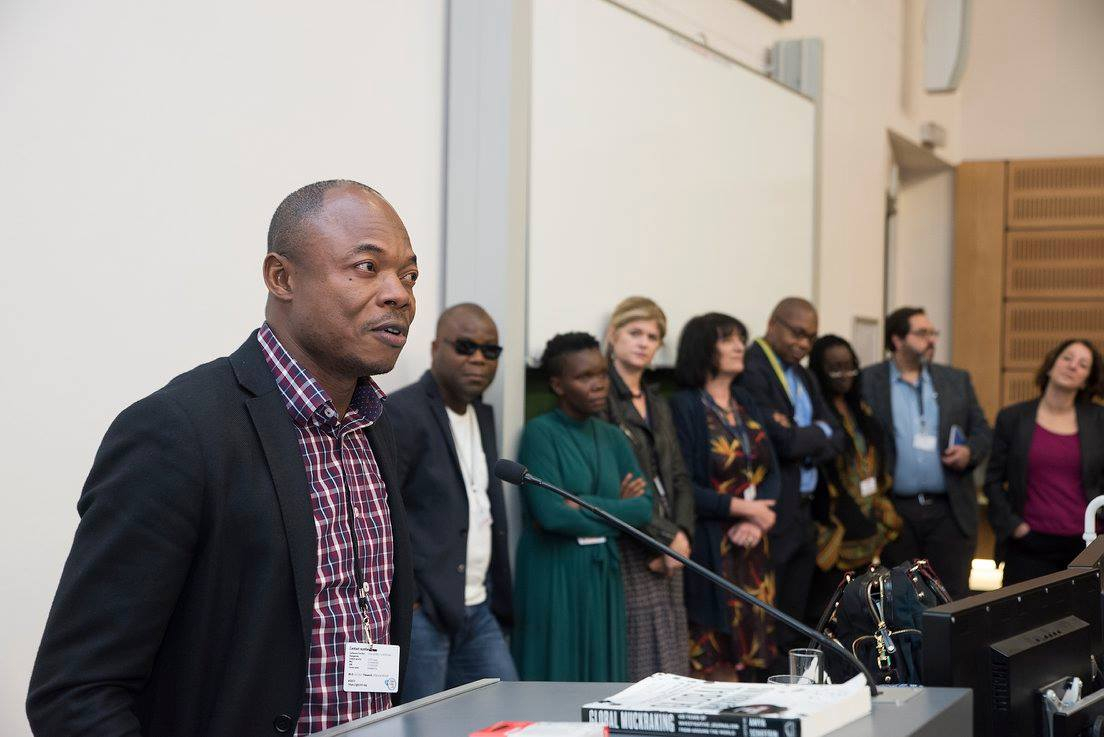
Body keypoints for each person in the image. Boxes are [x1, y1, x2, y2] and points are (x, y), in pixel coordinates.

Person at [27, 180, 417, 736]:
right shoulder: (177, 432)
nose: (398, 293)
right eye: (365, 266)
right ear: (281, 278)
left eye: (408, 275)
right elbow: (75, 694)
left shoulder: (375, 429)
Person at [387, 303, 517, 701]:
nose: (478, 359)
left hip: (478, 608)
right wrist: (410, 600)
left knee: (507, 711)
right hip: (424, 612)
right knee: (420, 725)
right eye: (464, 347)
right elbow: (383, 511)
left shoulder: (483, 414)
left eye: (489, 351)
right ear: (434, 348)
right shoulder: (400, 412)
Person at [512, 332, 654, 682]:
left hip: (602, 572)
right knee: (554, 674)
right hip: (554, 571)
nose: (598, 385)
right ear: (558, 385)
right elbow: (551, 515)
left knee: (601, 680)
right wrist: (615, 509)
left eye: (602, 374)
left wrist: (582, 505)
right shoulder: (539, 434)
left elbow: (644, 508)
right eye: (584, 377)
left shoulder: (613, 436)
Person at [670, 313, 781, 681]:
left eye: (741, 338)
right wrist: (745, 509)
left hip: (753, 551)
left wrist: (756, 519)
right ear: (704, 348)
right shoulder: (684, 405)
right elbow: (684, 486)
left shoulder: (744, 399)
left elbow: (771, 470)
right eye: (728, 339)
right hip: (711, 548)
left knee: (752, 665)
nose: (739, 347)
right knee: (714, 665)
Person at [861, 307, 992, 599]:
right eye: (922, 333)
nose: (931, 340)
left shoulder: (955, 380)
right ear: (896, 340)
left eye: (933, 333)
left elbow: (983, 431)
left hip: (949, 509)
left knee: (951, 599)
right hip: (895, 511)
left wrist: (969, 452)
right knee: (900, 600)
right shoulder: (868, 382)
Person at [738, 297, 846, 647]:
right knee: (771, 613)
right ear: (773, 324)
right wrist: (814, 434)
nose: (803, 344)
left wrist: (807, 435)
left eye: (810, 338)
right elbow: (782, 443)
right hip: (775, 509)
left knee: (796, 613)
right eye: (797, 333)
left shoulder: (802, 373)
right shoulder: (752, 368)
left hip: (805, 509)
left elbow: (837, 432)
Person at [601, 296, 694, 680]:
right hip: (634, 543)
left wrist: (683, 534)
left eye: (652, 336)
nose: (643, 342)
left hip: (671, 542)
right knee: (640, 661)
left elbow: (678, 476)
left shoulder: (657, 402)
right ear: (613, 336)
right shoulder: (601, 398)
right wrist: (664, 540)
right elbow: (620, 489)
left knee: (672, 656)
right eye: (634, 332)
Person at [986, 339, 1104, 585]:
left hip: (1087, 544)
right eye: (1067, 358)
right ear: (1051, 366)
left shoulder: (1099, 420)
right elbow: (993, 481)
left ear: (1086, 380)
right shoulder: (1013, 418)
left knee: (1088, 622)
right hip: (1028, 545)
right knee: (1024, 622)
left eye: (1083, 365)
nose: (1073, 366)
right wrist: (1015, 527)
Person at [806, 335, 901, 619]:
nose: (844, 375)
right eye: (835, 368)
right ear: (819, 371)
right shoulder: (816, 414)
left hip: (873, 519)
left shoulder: (862, 409)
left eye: (849, 367)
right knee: (828, 612)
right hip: (835, 530)